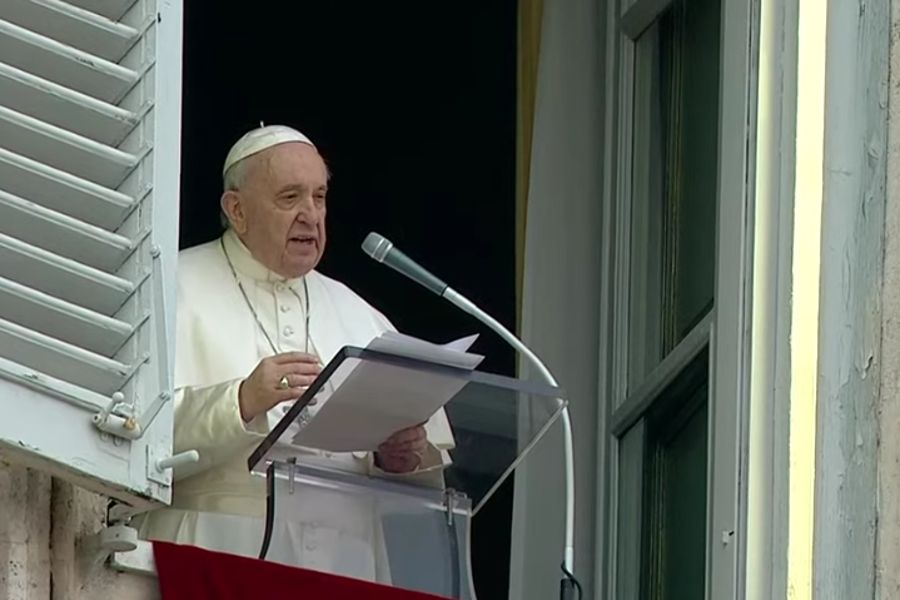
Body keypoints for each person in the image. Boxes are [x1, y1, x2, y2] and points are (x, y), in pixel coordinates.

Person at [136, 125, 454, 581]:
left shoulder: (359, 314)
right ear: (237, 210)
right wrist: (240, 401)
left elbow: (420, 491)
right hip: (213, 553)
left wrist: (398, 458)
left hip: (345, 567)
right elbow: (130, 435)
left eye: (319, 197)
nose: (311, 215)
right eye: (290, 198)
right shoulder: (170, 289)